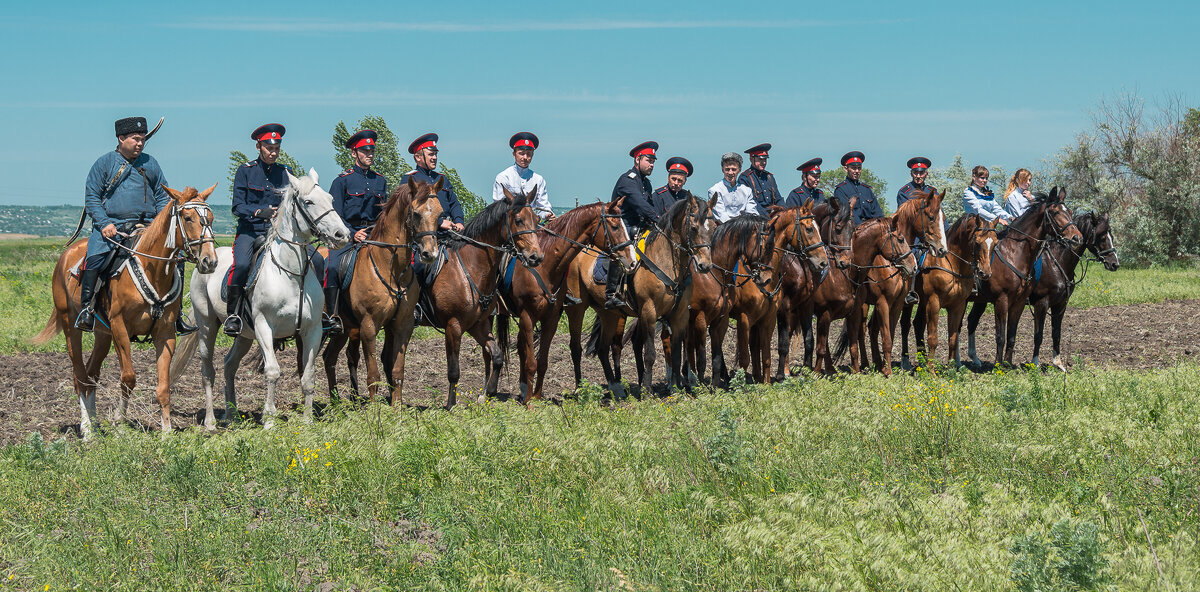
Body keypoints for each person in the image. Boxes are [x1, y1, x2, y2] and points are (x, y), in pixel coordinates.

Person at [78, 117, 191, 334]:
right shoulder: (104, 163)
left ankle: (176, 315)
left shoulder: (151, 163)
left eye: (142, 140)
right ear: (121, 139)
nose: (140, 144)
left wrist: (161, 224)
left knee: (175, 260)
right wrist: (104, 224)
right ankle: (87, 309)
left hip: (146, 227)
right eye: (135, 139)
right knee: (95, 257)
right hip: (113, 227)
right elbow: (92, 197)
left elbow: (162, 196)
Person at [223, 123, 290, 336]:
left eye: (276, 148)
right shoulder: (245, 171)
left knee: (311, 260)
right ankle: (233, 315)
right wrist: (258, 211)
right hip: (250, 231)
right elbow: (237, 206)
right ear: (258, 147)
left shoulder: (286, 173)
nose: (273, 152)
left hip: (277, 232)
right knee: (242, 265)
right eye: (269, 148)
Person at [322, 129, 388, 335]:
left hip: (374, 236)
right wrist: (352, 233)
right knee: (332, 267)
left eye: (372, 151)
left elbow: (382, 214)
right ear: (354, 153)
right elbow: (335, 215)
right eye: (364, 150)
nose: (369, 154)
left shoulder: (380, 180)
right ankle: (331, 316)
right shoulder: (342, 181)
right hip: (346, 237)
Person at [604, 140, 659, 309]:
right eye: (648, 160)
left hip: (640, 226)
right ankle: (611, 293)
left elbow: (650, 207)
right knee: (623, 249)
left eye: (653, 161)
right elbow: (640, 205)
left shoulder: (646, 182)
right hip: (622, 226)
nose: (651, 164)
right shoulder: (628, 180)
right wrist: (660, 220)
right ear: (637, 159)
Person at [896, 157, 938, 305]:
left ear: (926, 173)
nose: (918, 176)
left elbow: (938, 216)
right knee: (912, 256)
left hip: (931, 236)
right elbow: (905, 218)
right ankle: (910, 291)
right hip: (913, 239)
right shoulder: (904, 192)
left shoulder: (933, 192)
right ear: (912, 173)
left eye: (921, 173)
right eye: (916, 173)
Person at [407, 132, 464, 233]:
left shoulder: (442, 179)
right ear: (418, 157)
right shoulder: (411, 179)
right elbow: (408, 210)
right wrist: (440, 222)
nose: (435, 158)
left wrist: (459, 221)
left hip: (448, 233)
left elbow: (454, 203)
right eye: (431, 154)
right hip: (423, 237)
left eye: (435, 154)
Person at [493, 132, 553, 222]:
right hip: (510, 225)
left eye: (528, 154)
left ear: (532, 155)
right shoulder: (503, 177)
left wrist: (547, 214)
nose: (525, 157)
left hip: (532, 224)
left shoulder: (538, 179)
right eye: (521, 153)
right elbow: (498, 207)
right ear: (514, 154)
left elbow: (543, 206)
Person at [833, 151, 885, 225]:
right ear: (846, 169)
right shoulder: (841, 190)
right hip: (854, 231)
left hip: (872, 230)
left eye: (859, 168)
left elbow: (878, 213)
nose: (857, 171)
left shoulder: (867, 190)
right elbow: (846, 215)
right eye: (854, 168)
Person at [709, 152, 761, 223]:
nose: (730, 173)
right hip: (723, 229)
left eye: (734, 169)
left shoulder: (747, 191)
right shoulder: (715, 190)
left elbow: (752, 213)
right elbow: (721, 216)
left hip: (745, 228)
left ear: (739, 170)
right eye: (727, 169)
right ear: (722, 169)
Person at [737, 143, 783, 211]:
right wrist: (766, 217)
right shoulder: (744, 178)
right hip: (754, 217)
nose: (764, 162)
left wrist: (785, 211)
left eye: (765, 159)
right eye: (760, 159)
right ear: (751, 159)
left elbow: (778, 198)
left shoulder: (769, 177)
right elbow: (751, 203)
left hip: (770, 216)